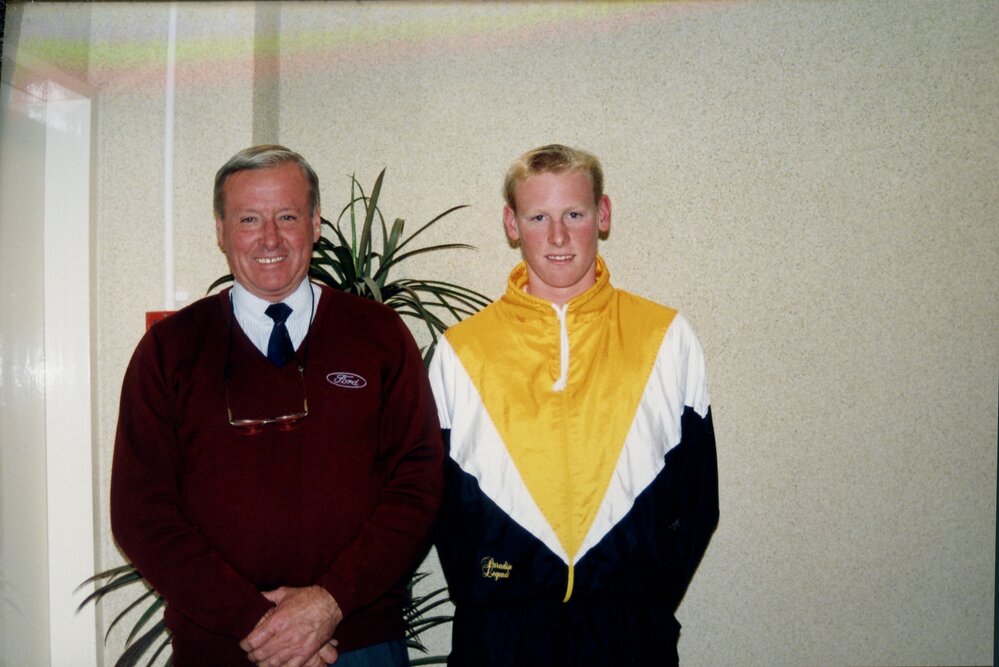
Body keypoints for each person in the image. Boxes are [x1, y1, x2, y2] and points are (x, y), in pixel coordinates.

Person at [111, 145, 443, 667]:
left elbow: (418, 484)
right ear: (221, 231)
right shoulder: (170, 350)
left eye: (287, 216)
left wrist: (328, 603)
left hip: (359, 642)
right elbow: (140, 514)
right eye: (249, 219)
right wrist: (258, 623)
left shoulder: (379, 334)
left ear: (315, 224)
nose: (270, 238)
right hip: (221, 649)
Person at [428, 144, 718, 666]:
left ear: (603, 215)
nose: (558, 236)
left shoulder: (665, 337)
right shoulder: (460, 351)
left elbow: (697, 495)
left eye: (574, 215)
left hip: (628, 633)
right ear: (512, 224)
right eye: (538, 217)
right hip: (500, 635)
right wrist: (490, 589)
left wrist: (646, 595)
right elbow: (438, 500)